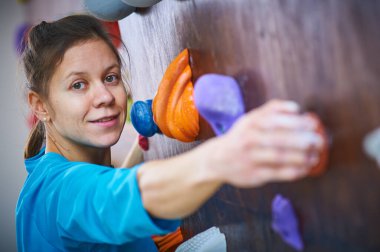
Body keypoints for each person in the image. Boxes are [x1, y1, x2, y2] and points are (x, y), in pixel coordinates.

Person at [16, 14, 323, 251]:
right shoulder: (57, 193)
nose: (105, 96)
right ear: (40, 105)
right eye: (78, 85)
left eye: (110, 77)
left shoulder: (44, 176)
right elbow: (110, 198)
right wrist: (225, 156)